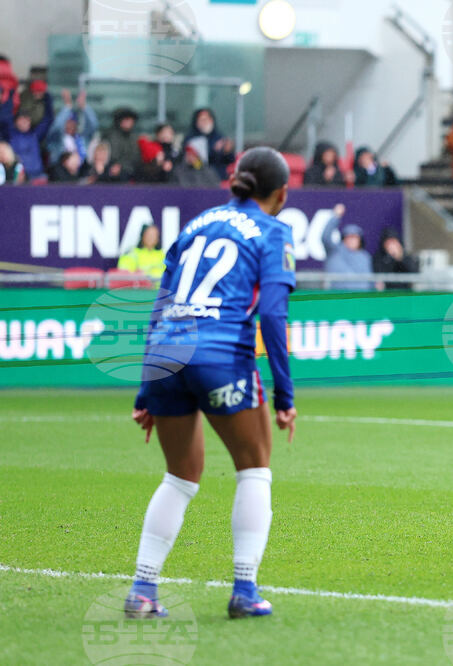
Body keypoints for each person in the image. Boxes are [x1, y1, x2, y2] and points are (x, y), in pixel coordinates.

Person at [127, 147, 297, 620]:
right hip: (221, 353)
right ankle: (245, 590)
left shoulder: (195, 225)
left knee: (180, 476)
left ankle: (142, 590)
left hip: (166, 354)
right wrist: (284, 395)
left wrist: (145, 392)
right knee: (254, 469)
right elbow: (272, 315)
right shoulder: (273, 231)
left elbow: (161, 305)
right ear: (282, 193)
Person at [322, 203, 374, 290]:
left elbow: (370, 281)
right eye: (349, 237)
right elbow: (325, 237)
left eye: (355, 237)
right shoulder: (334, 250)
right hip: (336, 296)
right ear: (344, 239)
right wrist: (335, 217)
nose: (352, 240)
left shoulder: (365, 257)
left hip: (360, 296)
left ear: (360, 240)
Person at [184, 108, 235, 180]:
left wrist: (227, 152)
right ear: (196, 122)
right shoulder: (190, 138)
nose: (204, 122)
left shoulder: (219, 137)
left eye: (207, 119)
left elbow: (229, 160)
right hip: (196, 176)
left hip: (217, 176)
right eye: (202, 120)